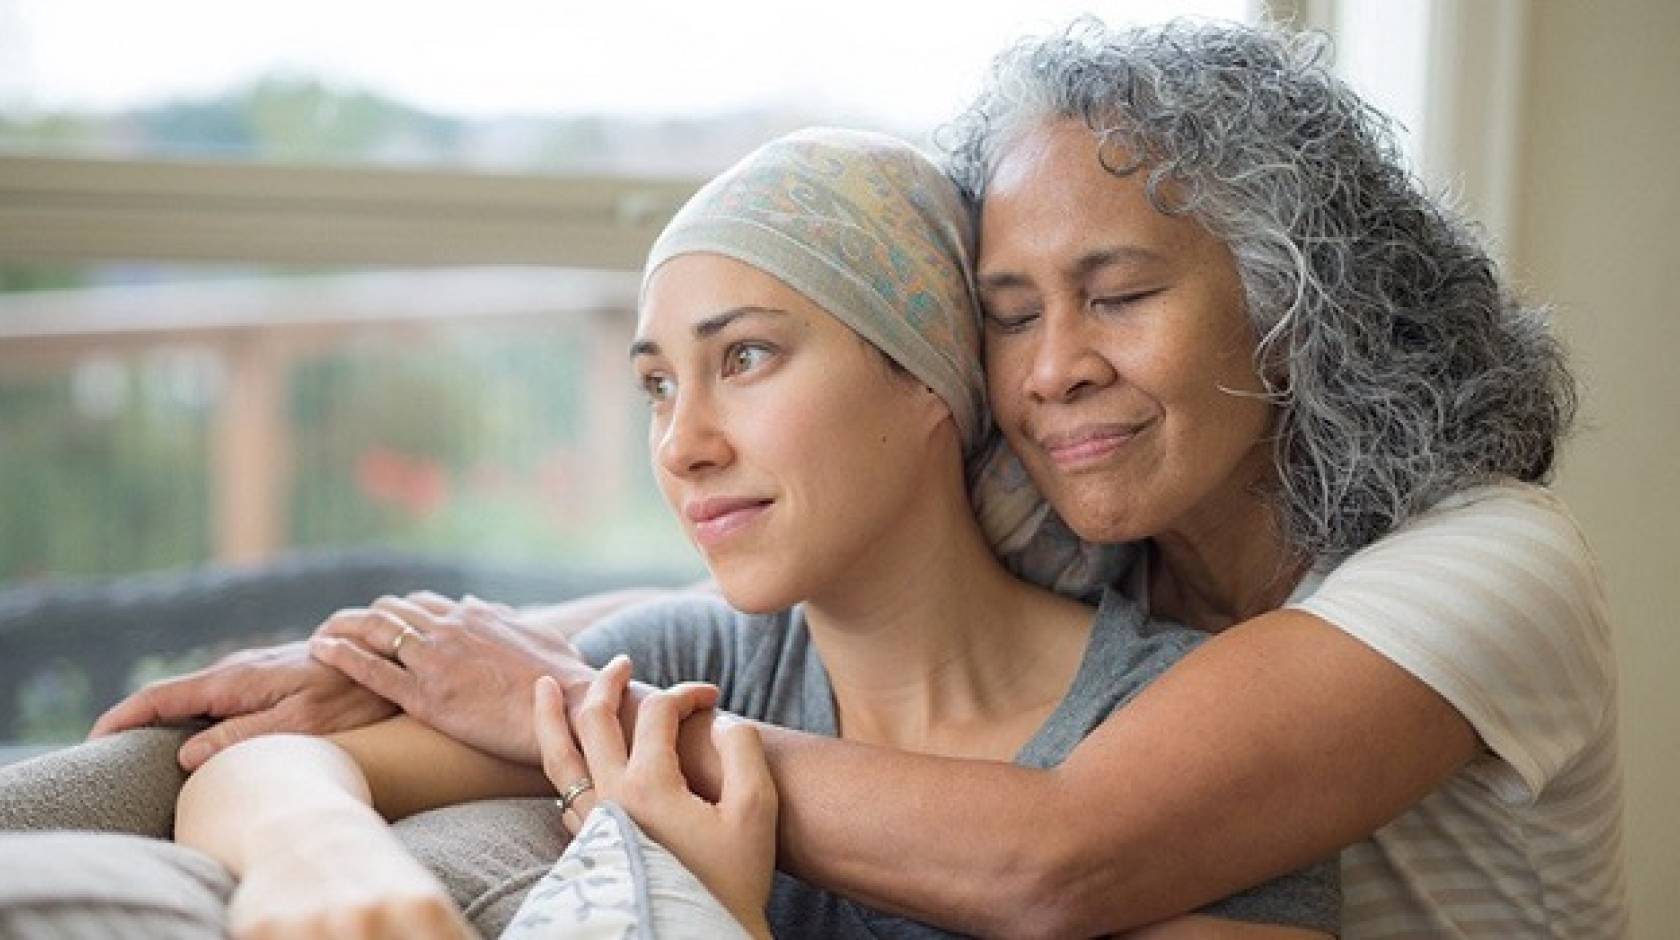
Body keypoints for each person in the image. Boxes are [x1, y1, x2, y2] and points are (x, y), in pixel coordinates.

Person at [5, 17, 1626, 939]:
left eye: (1119, 293)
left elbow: (1056, 851)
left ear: (1292, 297)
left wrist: (565, 716)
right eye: (1008, 313)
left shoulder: (1484, 564)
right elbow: (728, 595)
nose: (1050, 365)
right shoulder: (1080, 515)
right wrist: (411, 657)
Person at [167, 126, 1338, 939]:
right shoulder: (695, 665)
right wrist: (319, 856)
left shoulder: (1175, 751)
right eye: (657, 386)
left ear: (928, 378)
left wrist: (714, 918)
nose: (683, 443)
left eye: (746, 357)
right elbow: (262, 766)